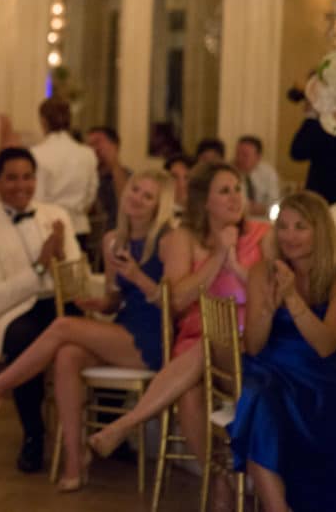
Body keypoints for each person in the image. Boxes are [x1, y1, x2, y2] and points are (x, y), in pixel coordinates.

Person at [0, 164, 176, 490]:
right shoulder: (113, 240)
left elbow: (175, 303)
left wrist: (138, 276)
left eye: (148, 196)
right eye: (135, 190)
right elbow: (116, 300)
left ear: (159, 205)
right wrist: (101, 303)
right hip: (125, 328)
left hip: (154, 337)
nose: (137, 198)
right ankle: (75, 457)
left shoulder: (169, 241)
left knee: (63, 326)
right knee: (67, 354)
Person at [87, 163, 273, 474]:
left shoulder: (262, 235)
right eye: (224, 191)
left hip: (249, 345)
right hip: (193, 342)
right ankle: (216, 479)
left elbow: (271, 296)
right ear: (204, 201)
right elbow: (175, 301)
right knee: (188, 391)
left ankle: (127, 423)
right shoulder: (183, 238)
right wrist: (218, 257)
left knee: (208, 347)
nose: (235, 198)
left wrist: (235, 265)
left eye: (237, 190)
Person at [228, 191, 336, 512]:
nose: (288, 236)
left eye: (300, 227)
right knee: (259, 400)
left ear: (320, 231)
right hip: (270, 368)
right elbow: (253, 346)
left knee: (266, 406)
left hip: (319, 377)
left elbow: (326, 346)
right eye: (283, 226)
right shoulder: (262, 271)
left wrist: (292, 298)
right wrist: (267, 309)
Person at [30, 98, 98, 253]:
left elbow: (35, 198)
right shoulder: (87, 153)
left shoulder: (37, 154)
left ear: (43, 121)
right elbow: (90, 195)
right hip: (79, 226)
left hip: (46, 228)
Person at [289, 108, 336, 204]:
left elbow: (297, 152)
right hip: (318, 195)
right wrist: (312, 117)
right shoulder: (319, 124)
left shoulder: (318, 124)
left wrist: (312, 117)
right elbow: (297, 152)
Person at [86, 126, 130, 231]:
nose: (93, 149)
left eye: (97, 142)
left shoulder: (129, 176)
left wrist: (113, 163)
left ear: (115, 146)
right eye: (89, 145)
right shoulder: (89, 177)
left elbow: (126, 205)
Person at [233, 135, 280, 216]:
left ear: (258, 157)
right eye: (237, 154)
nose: (239, 158)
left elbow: (275, 201)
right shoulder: (229, 173)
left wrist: (265, 209)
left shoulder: (268, 173)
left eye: (245, 155)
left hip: (264, 218)